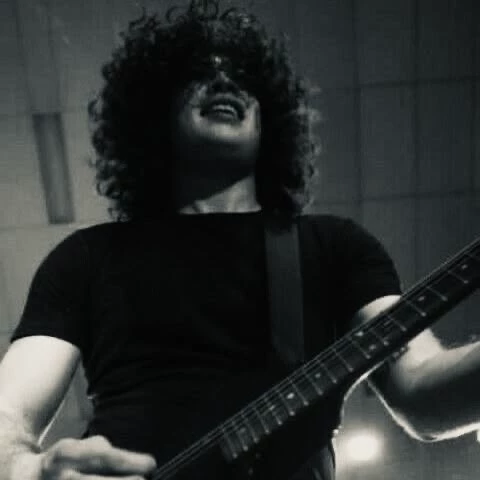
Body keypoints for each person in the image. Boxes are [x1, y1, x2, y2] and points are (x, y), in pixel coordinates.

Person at [0, 1, 479, 479]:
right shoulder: (87, 256)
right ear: (155, 111)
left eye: (244, 76)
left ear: (269, 118)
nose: (224, 81)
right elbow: (9, 414)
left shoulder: (335, 246)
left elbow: (421, 392)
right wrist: (30, 468)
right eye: (197, 73)